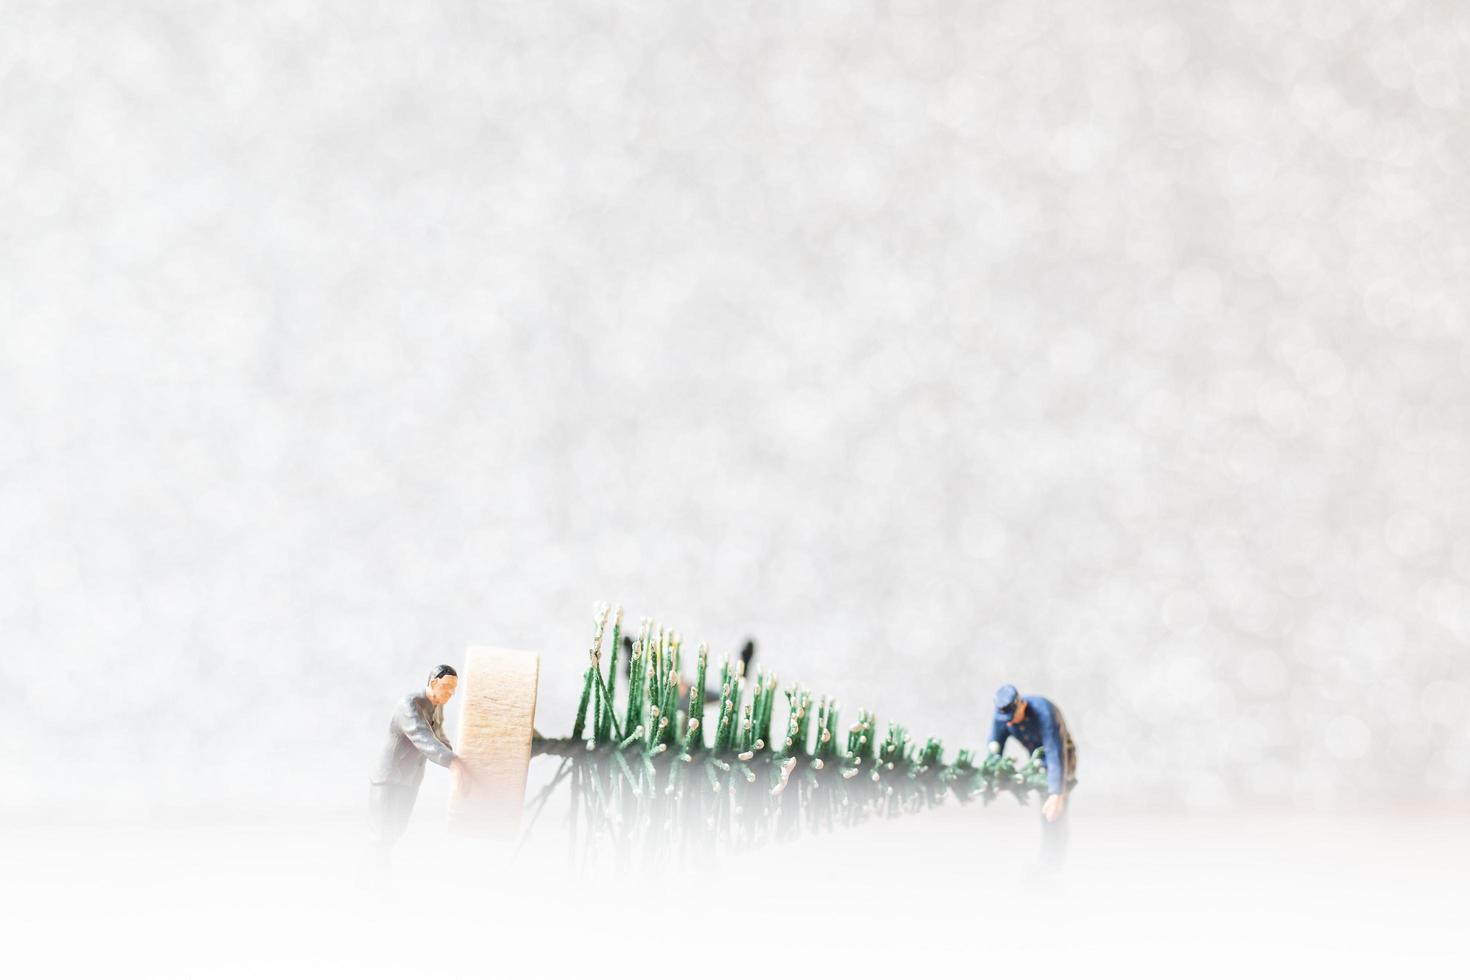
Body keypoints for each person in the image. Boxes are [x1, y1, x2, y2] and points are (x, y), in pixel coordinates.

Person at [368, 665, 468, 858]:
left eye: (454, 689)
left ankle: (377, 883)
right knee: (380, 837)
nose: (451, 693)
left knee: (395, 833)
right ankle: (369, 884)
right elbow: (423, 738)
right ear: (433, 683)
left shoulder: (437, 707)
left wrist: (458, 759)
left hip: (409, 781)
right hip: (389, 780)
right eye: (447, 687)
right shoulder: (409, 705)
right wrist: (453, 763)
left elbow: (439, 736)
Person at [988, 683, 1077, 822]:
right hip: (1038, 761)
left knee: (1056, 806)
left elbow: (1054, 752)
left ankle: (1057, 838)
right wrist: (995, 776)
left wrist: (1056, 792)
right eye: (1006, 720)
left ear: (1022, 705)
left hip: (1062, 758)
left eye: (1011, 718)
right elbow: (995, 746)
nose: (1009, 724)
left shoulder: (1045, 713)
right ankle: (1050, 838)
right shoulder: (1003, 717)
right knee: (1044, 805)